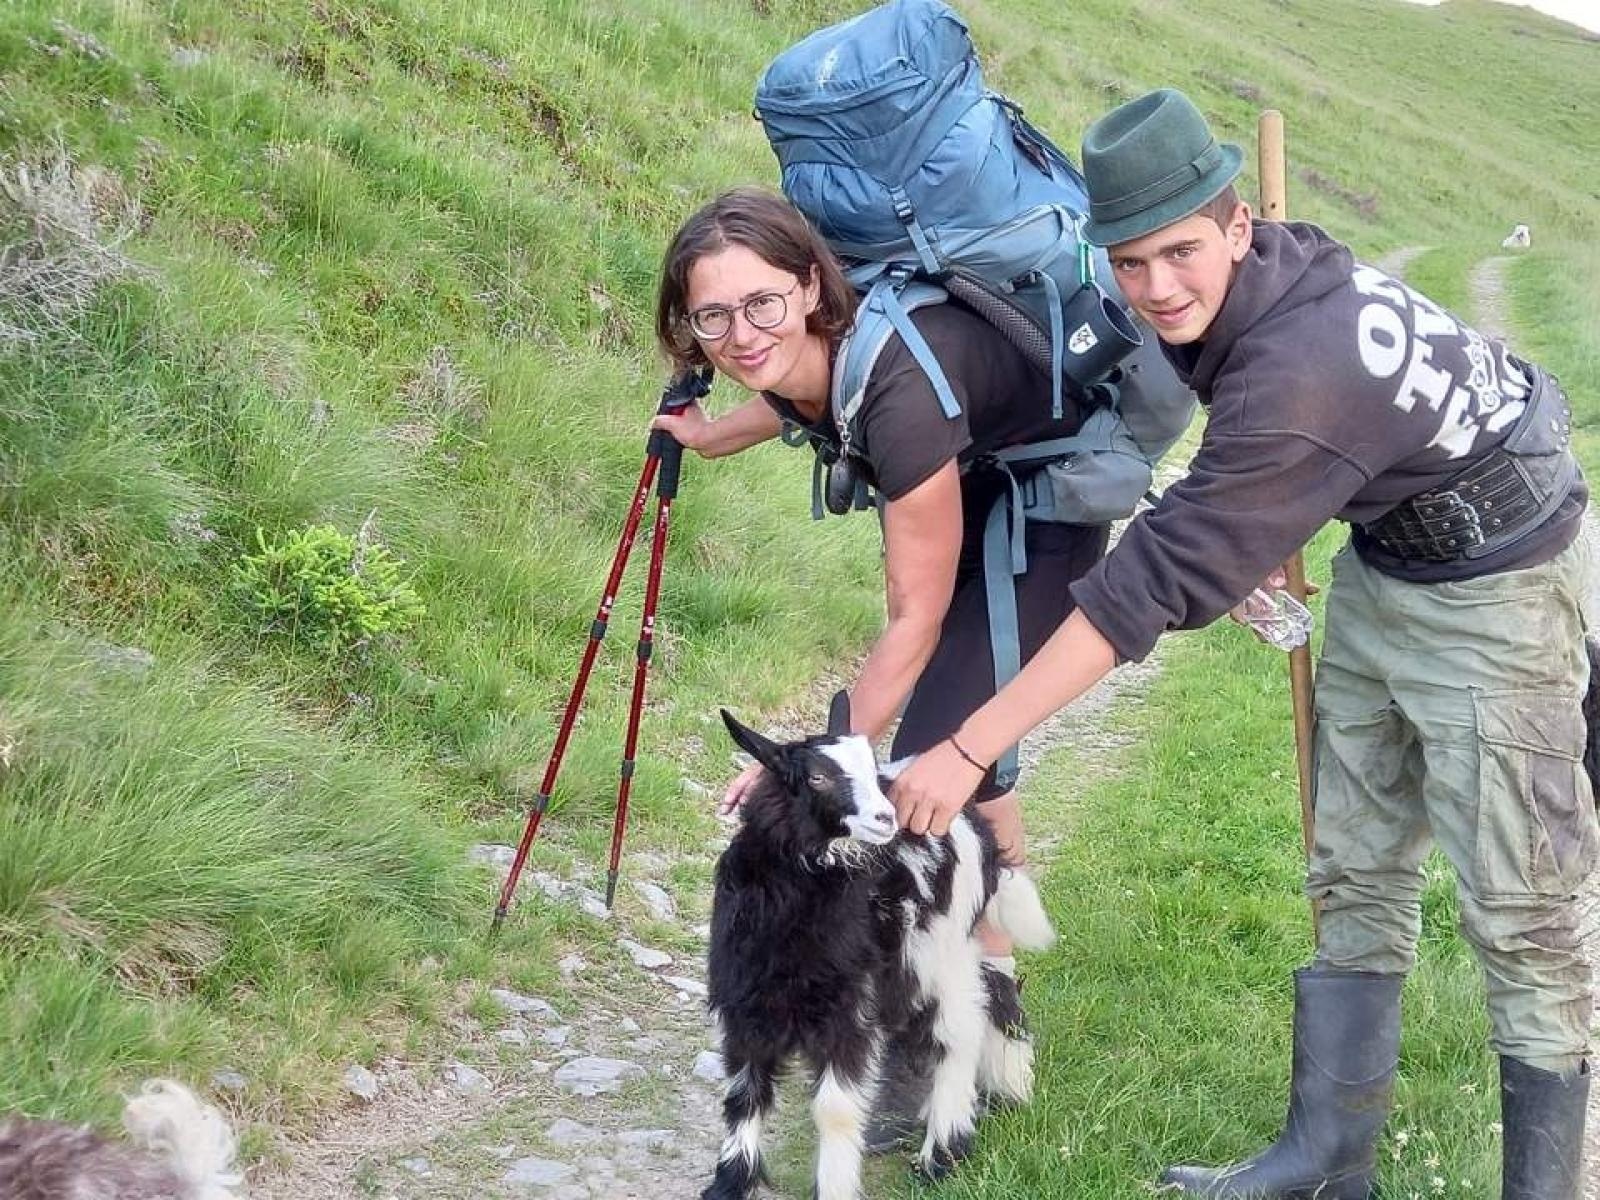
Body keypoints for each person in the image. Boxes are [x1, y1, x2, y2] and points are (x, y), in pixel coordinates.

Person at [889, 88, 1595, 1198]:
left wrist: (969, 747)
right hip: (1389, 562)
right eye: (1130, 262)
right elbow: (1279, 445)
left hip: (1501, 589)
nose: (1157, 287)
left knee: (1522, 904)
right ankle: (1329, 1159)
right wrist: (1284, 504)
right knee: (1351, 863)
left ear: (1235, 227)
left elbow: (1148, 587)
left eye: (1180, 252)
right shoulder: (1274, 275)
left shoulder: (1301, 366)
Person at [652, 185, 1111, 991]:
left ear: (810, 285)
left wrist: (811, 765)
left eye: (761, 304)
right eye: (711, 317)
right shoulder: (815, 346)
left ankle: (977, 993)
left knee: (936, 758)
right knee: (954, 735)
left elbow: (914, 619)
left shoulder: (897, 392)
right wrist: (712, 437)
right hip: (972, 486)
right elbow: (793, 386)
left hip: (1045, 510)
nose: (741, 336)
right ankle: (999, 958)